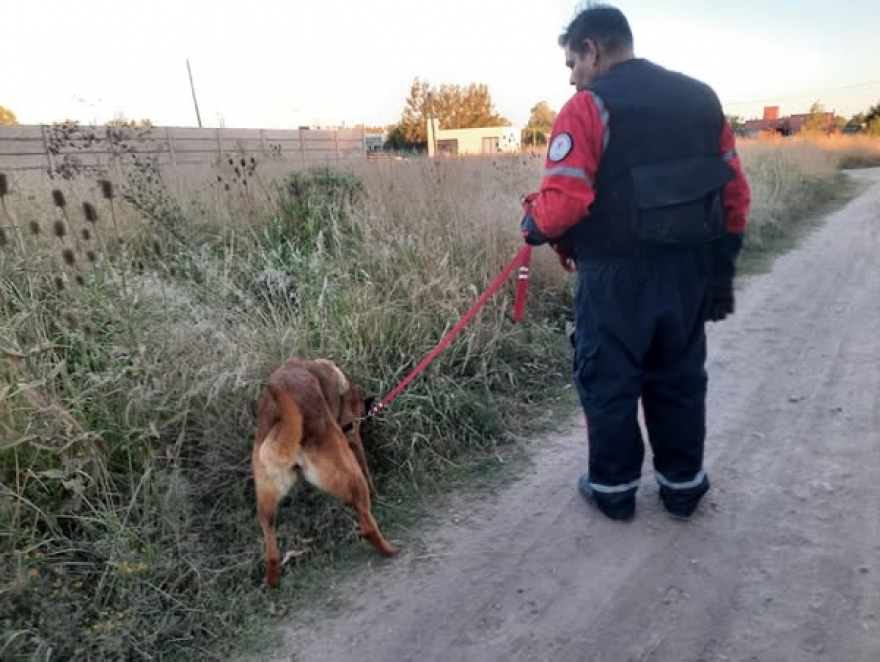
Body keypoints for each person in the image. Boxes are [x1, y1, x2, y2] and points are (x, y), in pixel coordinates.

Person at [520, 3, 751, 522]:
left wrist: (533, 225)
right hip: (690, 269)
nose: (574, 78)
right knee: (679, 377)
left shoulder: (586, 108)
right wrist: (721, 264)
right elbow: (735, 194)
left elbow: (564, 204)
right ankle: (683, 487)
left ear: (591, 50)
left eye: (572, 64)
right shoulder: (702, 99)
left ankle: (613, 490)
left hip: (614, 275)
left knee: (609, 379)